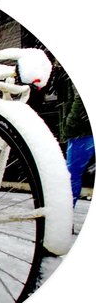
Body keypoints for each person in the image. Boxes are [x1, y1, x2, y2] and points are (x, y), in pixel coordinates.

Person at [56, 67, 94, 207]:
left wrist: (70, 124)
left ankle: (66, 212)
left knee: (72, 174)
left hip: (82, 132)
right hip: (83, 130)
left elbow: (79, 100)